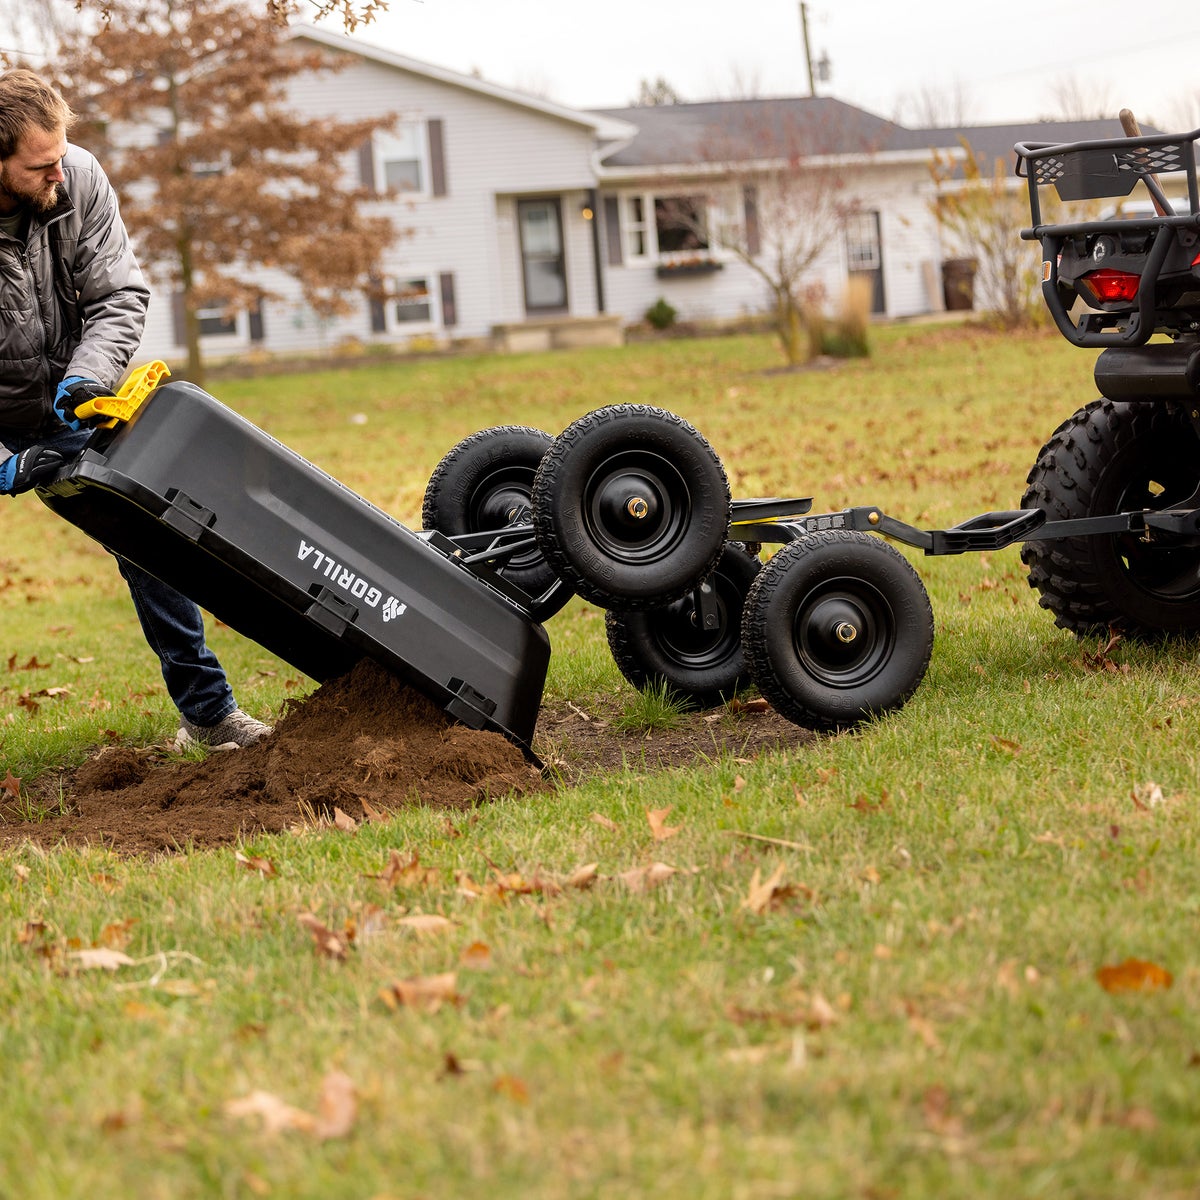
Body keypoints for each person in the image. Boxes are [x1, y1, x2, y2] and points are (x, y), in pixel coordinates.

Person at [0, 67, 271, 750]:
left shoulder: (77, 176)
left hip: (73, 402)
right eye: (39, 166)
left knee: (152, 533)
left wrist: (89, 376)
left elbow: (119, 294)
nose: (57, 174)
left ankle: (209, 717)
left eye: (61, 156)